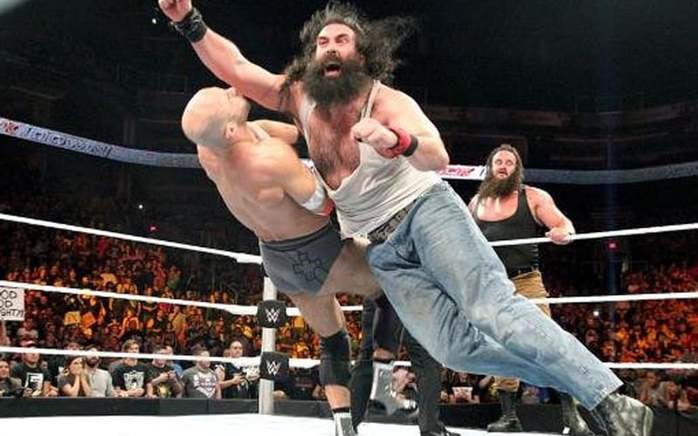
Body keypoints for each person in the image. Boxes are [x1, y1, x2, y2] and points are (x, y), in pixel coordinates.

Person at [159, 1, 653, 434]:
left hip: (427, 213)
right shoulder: (299, 96)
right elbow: (236, 66)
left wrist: (395, 140)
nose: (330, 47)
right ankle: (585, 387)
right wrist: (189, 21)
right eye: (323, 41)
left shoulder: (387, 101)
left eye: (342, 40)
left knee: (493, 310)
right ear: (312, 54)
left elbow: (437, 155)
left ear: (361, 55)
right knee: (454, 348)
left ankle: (608, 398)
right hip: (383, 247)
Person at [180, 86, 382, 435]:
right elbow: (323, 204)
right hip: (316, 252)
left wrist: (308, 123)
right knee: (393, 276)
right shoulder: (270, 158)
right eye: (225, 97)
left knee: (333, 338)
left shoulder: (211, 149)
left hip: (278, 262)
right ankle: (379, 370)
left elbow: (289, 132)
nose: (232, 88)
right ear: (229, 128)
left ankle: (343, 423)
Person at [469, 144, 594, 435]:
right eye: (498, 161)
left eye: (509, 162)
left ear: (517, 169)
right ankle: (509, 416)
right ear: (490, 167)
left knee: (547, 343)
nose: (503, 166)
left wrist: (564, 233)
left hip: (526, 281)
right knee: (502, 347)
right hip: (492, 285)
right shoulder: (477, 203)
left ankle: (572, 416)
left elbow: (564, 224)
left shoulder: (534, 196)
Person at [351, 297, 457, 436]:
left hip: (377, 294)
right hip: (404, 296)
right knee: (426, 359)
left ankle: (348, 425)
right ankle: (431, 428)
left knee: (367, 357)